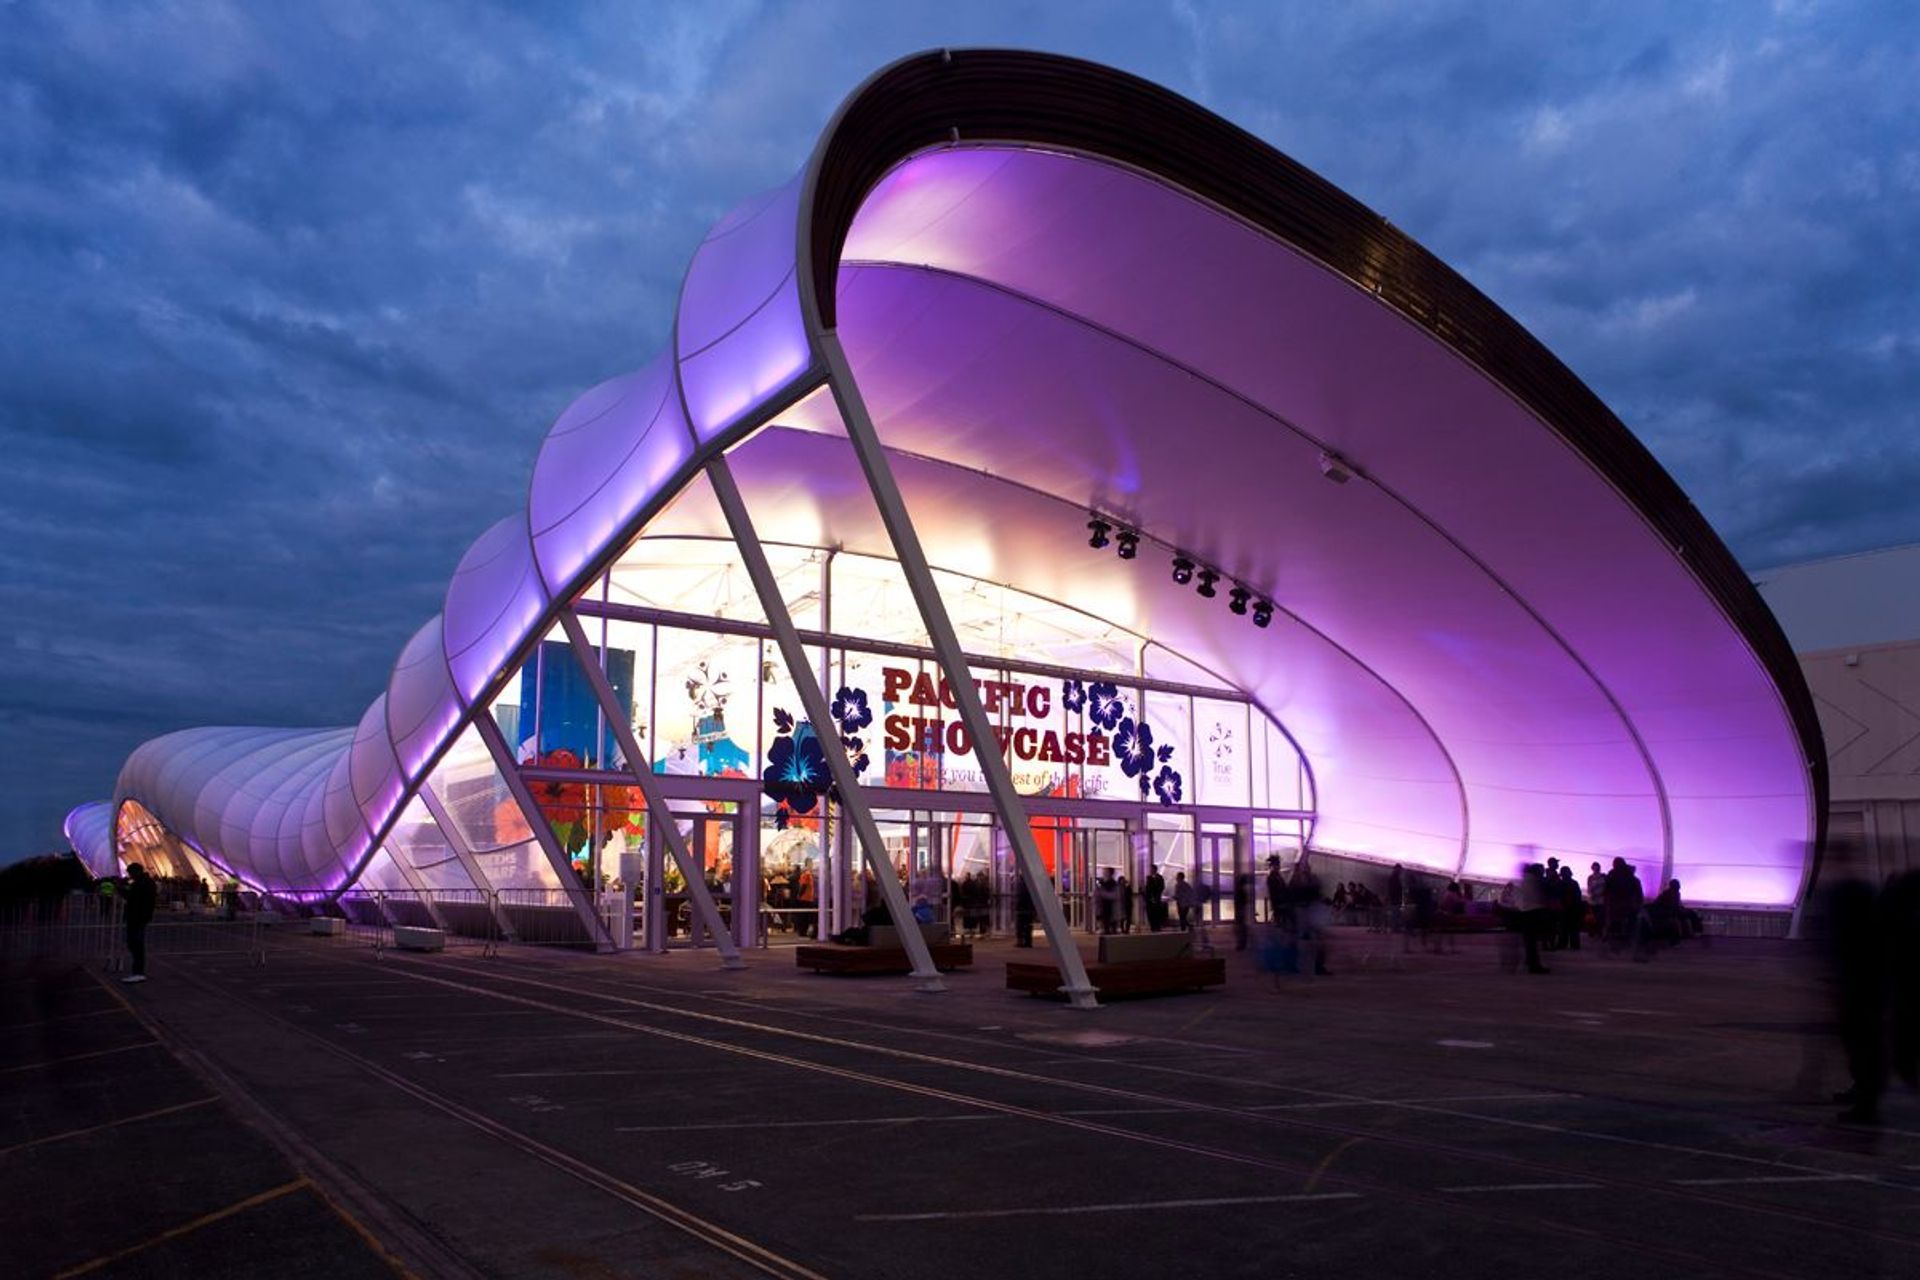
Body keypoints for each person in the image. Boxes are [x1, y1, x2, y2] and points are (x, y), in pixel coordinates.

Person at [121, 863, 157, 984]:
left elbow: (132, 898)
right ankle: (137, 972)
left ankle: (138, 972)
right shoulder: (146, 882)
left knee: (136, 944)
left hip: (137, 917)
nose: (129, 876)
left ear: (136, 872)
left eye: (130, 873)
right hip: (139, 917)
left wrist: (120, 889)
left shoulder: (142, 884)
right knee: (135, 944)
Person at [1014, 873, 1036, 948]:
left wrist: (1016, 906)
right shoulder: (1032, 884)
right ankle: (1028, 941)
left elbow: (1019, 896)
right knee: (1028, 925)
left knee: (1020, 925)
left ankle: (1020, 941)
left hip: (1022, 908)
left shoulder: (1020, 884)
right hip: (1029, 908)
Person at [1143, 864, 1167, 933]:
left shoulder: (1159, 878)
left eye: (1151, 869)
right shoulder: (1148, 878)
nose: (1150, 870)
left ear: (1155, 869)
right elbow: (1148, 888)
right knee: (1150, 913)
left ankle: (1157, 926)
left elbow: (1161, 887)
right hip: (1149, 899)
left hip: (1156, 898)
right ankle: (1153, 927)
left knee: (1156, 913)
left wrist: (1156, 896)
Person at [1265, 855, 1285, 924]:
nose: (1279, 867)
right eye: (1277, 865)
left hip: (1278, 900)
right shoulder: (1273, 876)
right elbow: (1275, 890)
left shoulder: (1276, 875)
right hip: (1278, 900)